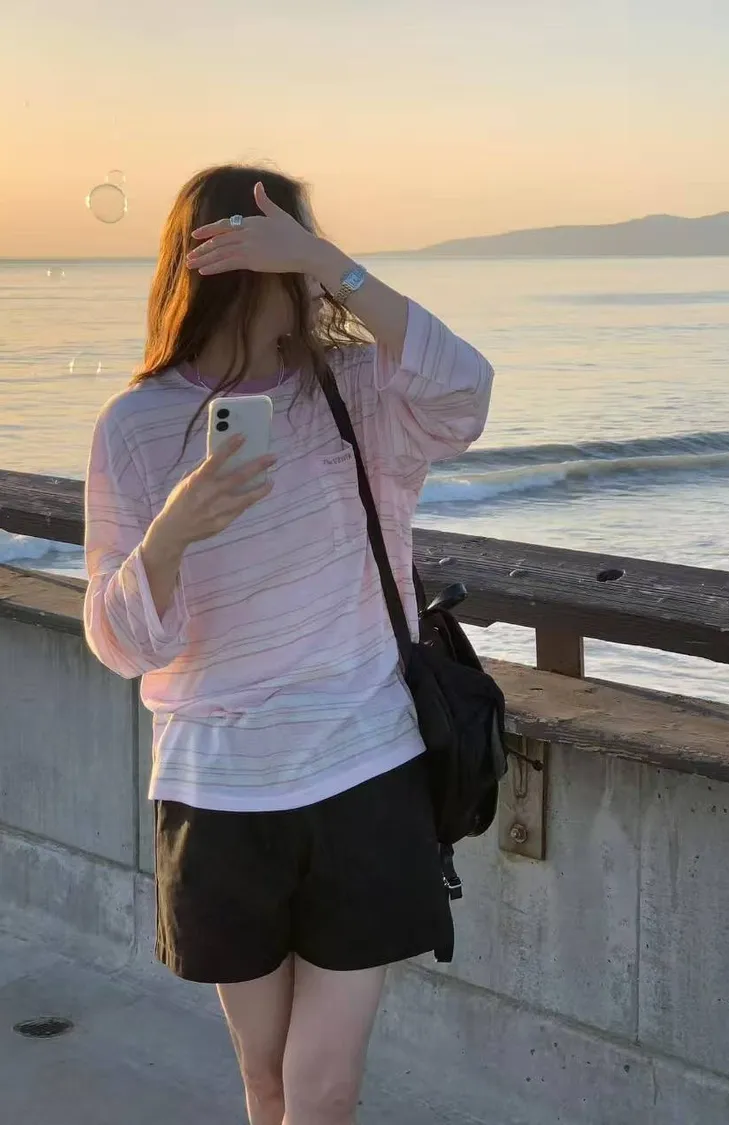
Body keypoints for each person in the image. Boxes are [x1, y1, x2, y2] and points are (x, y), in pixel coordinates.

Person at [83, 163, 494, 1125]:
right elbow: (119, 641)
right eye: (282, 252)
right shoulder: (135, 428)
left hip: (365, 769)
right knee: (267, 1082)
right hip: (219, 790)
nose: (301, 279)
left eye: (304, 250)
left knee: (323, 1089)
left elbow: (466, 392)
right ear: (218, 264)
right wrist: (171, 536)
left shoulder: (359, 390)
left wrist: (331, 262)